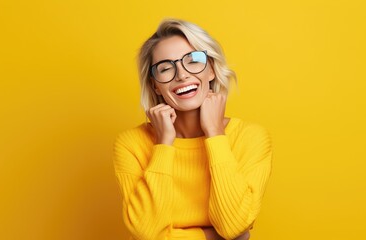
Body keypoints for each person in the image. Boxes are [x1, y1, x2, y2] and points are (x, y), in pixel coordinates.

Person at [113, 18, 273, 240]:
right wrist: (163, 144)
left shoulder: (250, 138)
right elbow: (144, 232)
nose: (182, 75)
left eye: (194, 60)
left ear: (212, 70)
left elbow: (232, 226)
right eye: (166, 68)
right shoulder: (131, 144)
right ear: (155, 85)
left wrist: (215, 135)